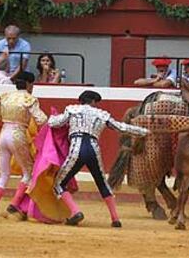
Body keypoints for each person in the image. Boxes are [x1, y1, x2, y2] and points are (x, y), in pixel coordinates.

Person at [47, 90, 150, 227]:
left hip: (77, 147)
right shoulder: (102, 114)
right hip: (93, 149)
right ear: (93, 102)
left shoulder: (71, 110)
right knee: (102, 184)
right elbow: (121, 127)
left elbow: (54, 123)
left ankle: (75, 211)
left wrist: (51, 116)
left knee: (59, 183)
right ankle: (115, 219)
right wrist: (143, 132)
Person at [0, 72, 47, 217]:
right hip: (18, 135)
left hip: (3, 134)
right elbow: (41, 119)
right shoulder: (29, 99)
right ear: (29, 84)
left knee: (3, 174)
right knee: (28, 172)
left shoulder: (5, 97)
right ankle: (14, 203)